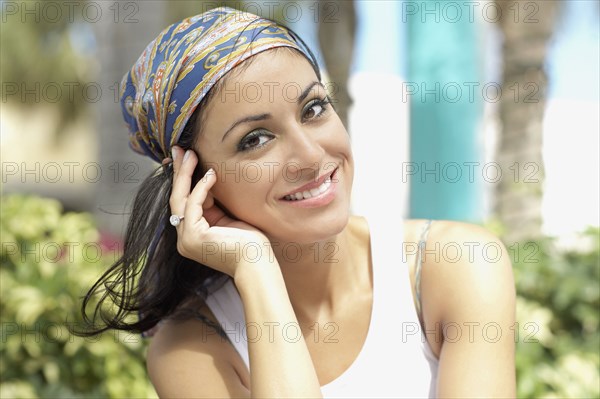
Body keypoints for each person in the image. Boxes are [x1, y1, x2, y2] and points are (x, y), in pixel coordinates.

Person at [81, 7, 516, 398]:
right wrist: (257, 269)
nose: (310, 156)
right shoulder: (193, 349)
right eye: (255, 139)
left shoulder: (453, 265)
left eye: (313, 109)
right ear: (196, 183)